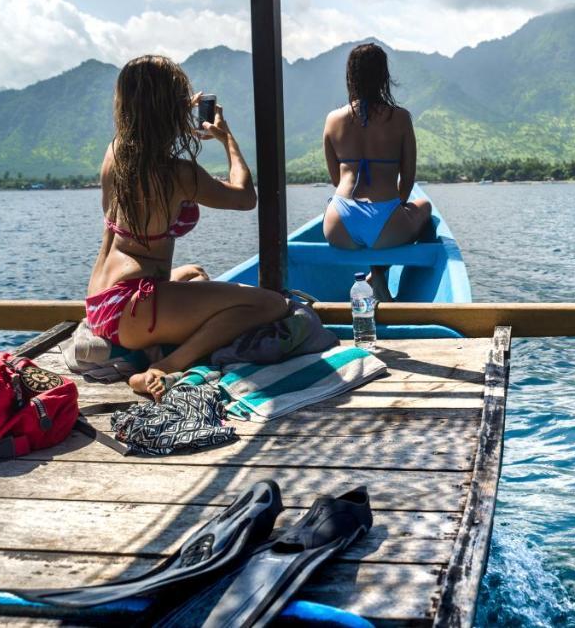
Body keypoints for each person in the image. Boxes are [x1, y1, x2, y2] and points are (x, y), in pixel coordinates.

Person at [86, 55, 289, 400]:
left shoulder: (115, 153)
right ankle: (163, 367)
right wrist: (227, 140)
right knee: (271, 305)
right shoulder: (178, 173)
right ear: (173, 108)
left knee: (195, 272)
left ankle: (150, 349)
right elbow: (244, 197)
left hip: (100, 302)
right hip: (132, 309)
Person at [322, 43, 432, 300]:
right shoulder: (400, 118)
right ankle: (379, 273)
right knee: (424, 207)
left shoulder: (333, 119)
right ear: (384, 76)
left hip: (339, 221)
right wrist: (395, 212)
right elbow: (407, 179)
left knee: (370, 232)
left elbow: (335, 179)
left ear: (351, 76)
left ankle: (376, 275)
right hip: (385, 218)